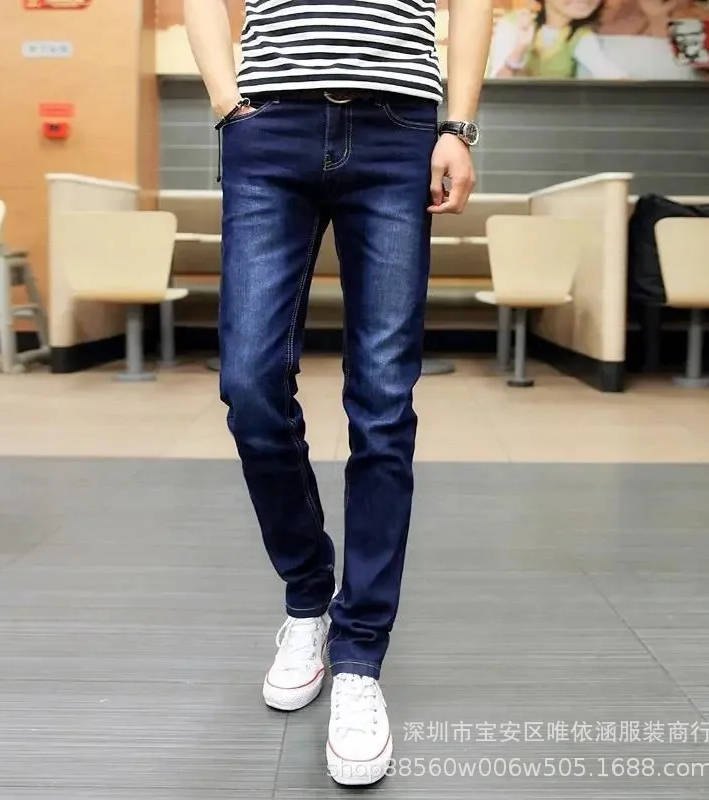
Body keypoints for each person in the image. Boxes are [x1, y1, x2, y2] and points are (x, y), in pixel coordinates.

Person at [184, 0, 493, 786]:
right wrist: (227, 102)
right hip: (270, 124)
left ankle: (359, 657)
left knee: (383, 402)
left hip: (399, 128)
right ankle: (307, 596)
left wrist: (459, 127)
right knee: (249, 383)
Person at [490, 0, 624, 79]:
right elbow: (498, 86)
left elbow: (608, 73)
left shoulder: (580, 36)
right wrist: (520, 48)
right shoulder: (514, 23)